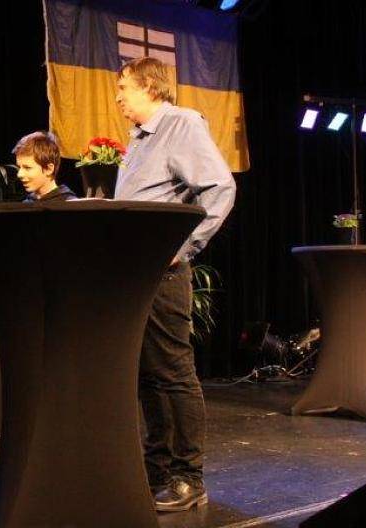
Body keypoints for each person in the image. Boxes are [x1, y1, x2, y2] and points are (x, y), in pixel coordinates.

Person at [113, 56, 236, 512]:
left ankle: (188, 476)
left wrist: (182, 247)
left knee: (173, 373)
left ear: (150, 87)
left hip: (163, 274)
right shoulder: (139, 139)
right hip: (135, 276)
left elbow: (220, 188)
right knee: (148, 374)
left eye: (124, 87)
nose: (118, 96)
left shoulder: (180, 124)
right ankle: (158, 468)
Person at [12, 131, 78, 203]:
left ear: (49, 169)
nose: (19, 174)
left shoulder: (70, 204)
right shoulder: (26, 204)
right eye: (19, 167)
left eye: (27, 168)